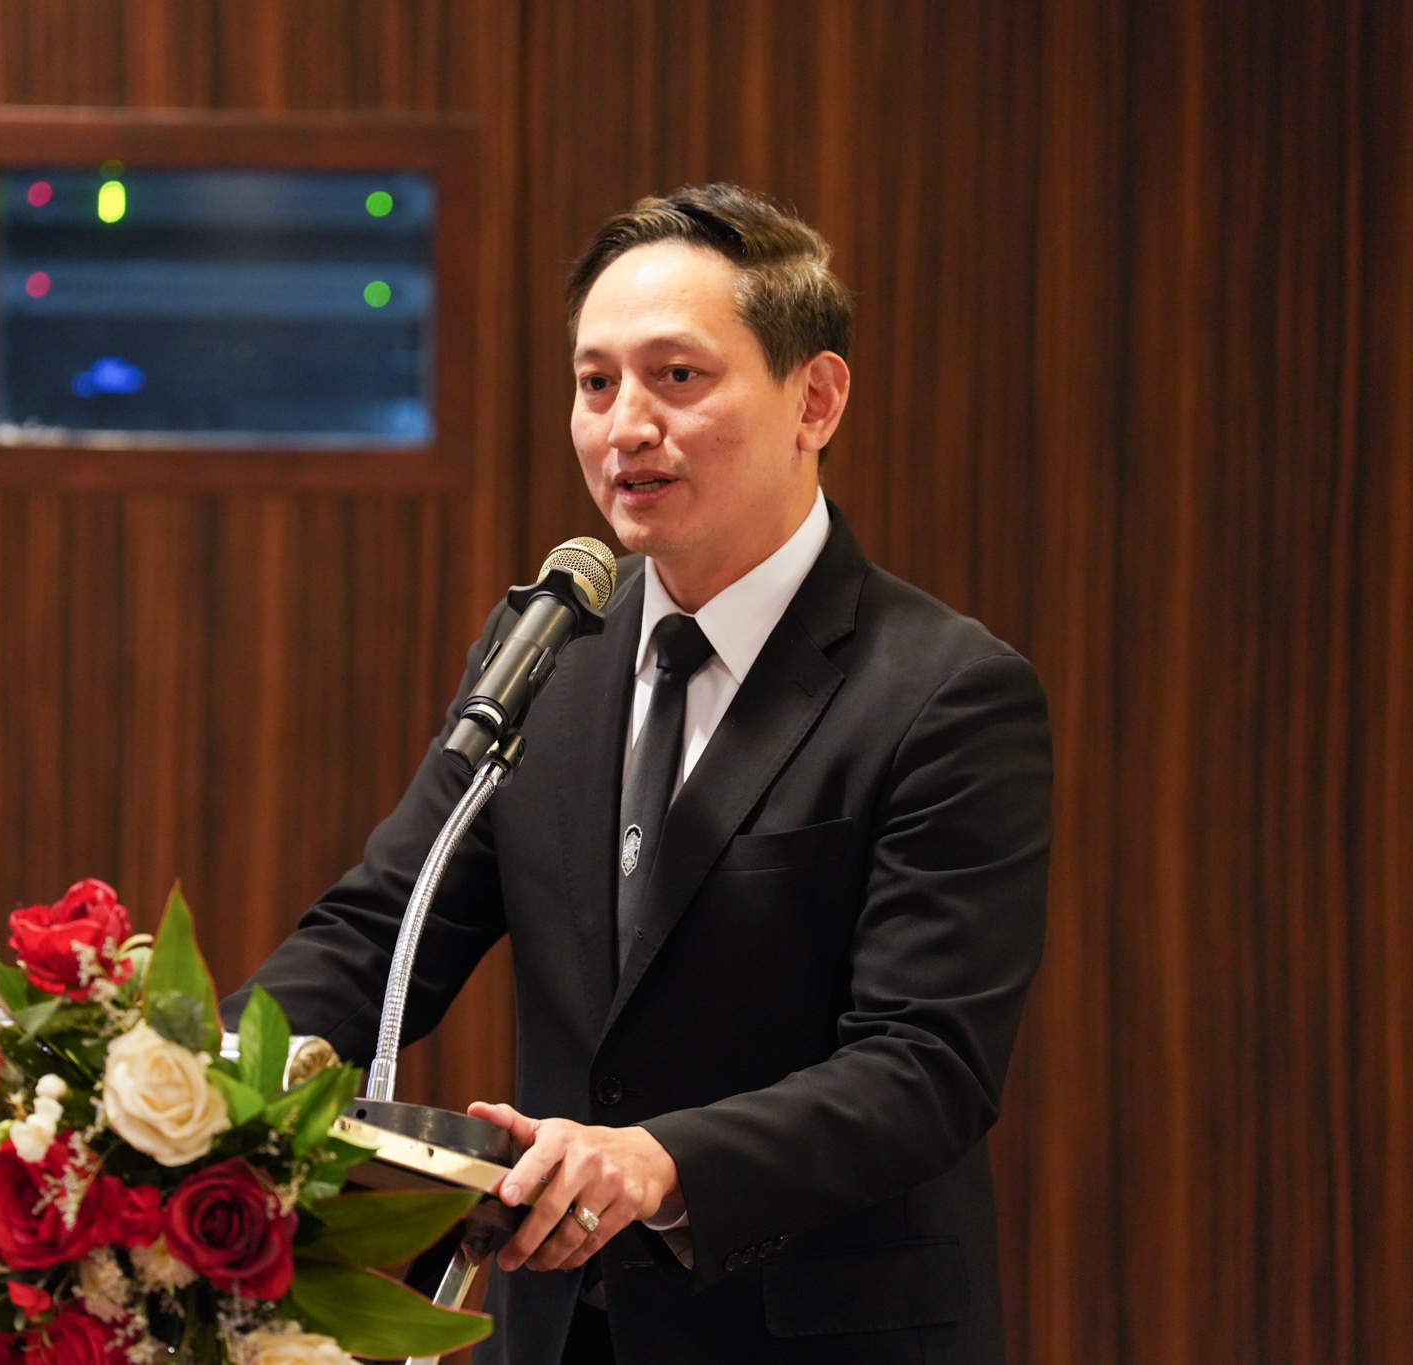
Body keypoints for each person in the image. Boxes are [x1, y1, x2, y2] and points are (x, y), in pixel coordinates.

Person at [225, 184, 1051, 1365]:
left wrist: (660, 1161)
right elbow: (381, 930)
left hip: (811, 1335)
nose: (624, 426)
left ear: (814, 399)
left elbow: (925, 1066)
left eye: (676, 377)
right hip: (556, 1331)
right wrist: (181, 1081)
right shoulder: (549, 650)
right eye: (594, 382)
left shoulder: (943, 692)